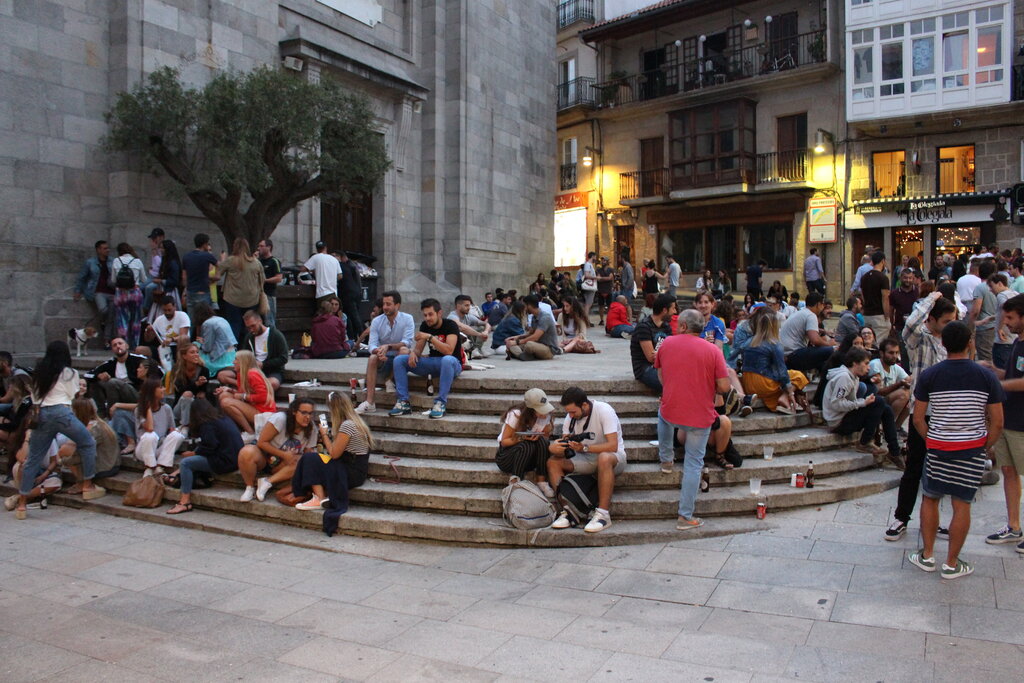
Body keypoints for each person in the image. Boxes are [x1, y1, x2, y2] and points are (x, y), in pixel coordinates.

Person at [908, 321, 1004, 579]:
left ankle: (927, 555)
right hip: (971, 449)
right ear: (970, 342)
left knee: (930, 498)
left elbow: (918, 418)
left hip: (939, 447)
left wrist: (932, 439)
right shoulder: (986, 377)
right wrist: (985, 445)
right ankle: (951, 563)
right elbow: (998, 421)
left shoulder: (930, 375)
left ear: (943, 343)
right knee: (962, 504)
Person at [884, 292, 959, 540]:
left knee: (939, 470)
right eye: (947, 321)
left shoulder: (948, 342)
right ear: (933, 319)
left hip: (945, 414)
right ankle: (901, 517)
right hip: (922, 413)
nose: (951, 325)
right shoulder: (920, 338)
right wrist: (931, 298)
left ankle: (933, 520)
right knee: (914, 467)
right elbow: (910, 325)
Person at [655, 310, 730, 529]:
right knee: (693, 464)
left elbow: (660, 375)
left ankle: (666, 460)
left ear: (685, 326)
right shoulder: (713, 351)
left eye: (679, 324)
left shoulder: (667, 343)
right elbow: (725, 386)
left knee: (663, 416)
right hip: (700, 414)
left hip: (672, 406)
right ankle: (685, 516)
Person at [14, 341, 106, 519]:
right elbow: (73, 394)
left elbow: (34, 395)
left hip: (41, 415)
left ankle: (22, 504)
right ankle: (88, 485)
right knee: (87, 443)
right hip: (61, 412)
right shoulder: (68, 372)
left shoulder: (39, 371)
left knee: (33, 458)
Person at [292, 392, 373, 535]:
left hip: (351, 471)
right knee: (315, 458)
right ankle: (317, 496)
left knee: (310, 459)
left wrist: (323, 434)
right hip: (354, 467)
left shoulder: (347, 425)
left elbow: (334, 453)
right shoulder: (354, 422)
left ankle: (319, 498)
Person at [547, 387, 627, 533]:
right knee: (552, 462)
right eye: (568, 412)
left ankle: (603, 515)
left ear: (584, 405)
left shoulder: (604, 411)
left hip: (613, 457)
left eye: (573, 412)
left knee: (604, 457)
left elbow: (613, 445)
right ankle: (568, 511)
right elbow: (566, 447)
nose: (570, 415)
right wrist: (554, 449)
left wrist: (584, 448)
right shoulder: (570, 418)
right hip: (586, 458)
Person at [982, 294, 1024, 549]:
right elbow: (1012, 375)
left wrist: (1000, 383)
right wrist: (993, 371)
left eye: (1010, 317)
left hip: (1021, 422)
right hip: (1009, 418)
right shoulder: (1018, 343)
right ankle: (1014, 525)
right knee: (1008, 471)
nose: (1006, 322)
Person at [823, 347, 904, 468]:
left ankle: (894, 451)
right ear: (855, 363)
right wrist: (862, 403)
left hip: (845, 416)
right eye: (866, 363)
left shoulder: (853, 376)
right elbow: (836, 404)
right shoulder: (844, 377)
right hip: (837, 421)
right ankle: (865, 442)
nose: (869, 367)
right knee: (879, 402)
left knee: (885, 408)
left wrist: (864, 401)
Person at [164, 398, 243, 515]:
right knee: (192, 457)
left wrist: (194, 454)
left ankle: (184, 502)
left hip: (225, 461)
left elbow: (209, 446)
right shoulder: (222, 418)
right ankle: (175, 474)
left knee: (186, 463)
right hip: (235, 458)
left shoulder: (207, 424)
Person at [390, 298, 464, 419]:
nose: (427, 318)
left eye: (430, 314)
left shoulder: (450, 325)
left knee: (447, 360)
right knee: (399, 360)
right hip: (433, 362)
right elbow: (419, 349)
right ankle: (403, 402)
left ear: (439, 313)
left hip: (452, 364)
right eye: (425, 315)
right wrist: (414, 353)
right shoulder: (425, 325)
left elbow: (448, 351)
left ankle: (440, 402)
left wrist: (430, 337)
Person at [237, 397, 319, 503]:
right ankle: (250, 487)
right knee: (246, 452)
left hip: (284, 465)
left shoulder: (311, 429)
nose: (307, 417)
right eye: (304, 413)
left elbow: (308, 453)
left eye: (310, 413)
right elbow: (261, 442)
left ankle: (267, 482)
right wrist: (283, 454)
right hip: (264, 457)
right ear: (294, 412)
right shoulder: (280, 419)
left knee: (305, 461)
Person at [355, 291, 415, 414]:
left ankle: (392, 383)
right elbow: (372, 344)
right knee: (372, 357)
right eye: (384, 304)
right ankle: (369, 402)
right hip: (384, 356)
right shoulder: (377, 321)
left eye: (389, 304)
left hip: (400, 355)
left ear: (397, 305)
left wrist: (389, 347)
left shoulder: (408, 319)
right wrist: (378, 351)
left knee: (404, 350)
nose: (385, 307)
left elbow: (407, 342)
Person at [740, 310, 810, 415]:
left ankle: (782, 400)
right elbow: (782, 370)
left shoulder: (748, 342)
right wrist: (790, 392)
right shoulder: (774, 344)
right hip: (764, 383)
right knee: (799, 376)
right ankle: (784, 397)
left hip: (748, 385)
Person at [495, 388, 555, 487]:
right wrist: (522, 438)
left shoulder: (546, 416)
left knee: (543, 441)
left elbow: (546, 438)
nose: (544, 413)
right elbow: (504, 442)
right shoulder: (516, 415)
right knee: (526, 445)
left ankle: (542, 481)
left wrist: (543, 432)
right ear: (531, 409)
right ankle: (515, 481)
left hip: (531, 459)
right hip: (508, 457)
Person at [61, 398, 121, 489]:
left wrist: (62, 461)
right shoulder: (98, 423)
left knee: (65, 451)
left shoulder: (94, 428)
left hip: (106, 467)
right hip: (111, 463)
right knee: (67, 448)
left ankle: (82, 483)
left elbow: (81, 455)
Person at [132, 377, 185, 477]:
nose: (163, 389)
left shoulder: (166, 408)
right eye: (160, 387)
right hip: (144, 450)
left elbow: (172, 430)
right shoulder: (140, 410)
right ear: (152, 391)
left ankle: (160, 465)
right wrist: (147, 408)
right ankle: (149, 466)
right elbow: (149, 428)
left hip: (160, 447)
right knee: (150, 435)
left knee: (177, 435)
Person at [214, 350, 277, 434]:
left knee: (226, 402)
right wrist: (228, 390)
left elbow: (263, 396)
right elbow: (242, 393)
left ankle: (250, 432)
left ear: (243, 362)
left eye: (236, 359)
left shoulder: (252, 374)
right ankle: (236, 429)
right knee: (224, 395)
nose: (233, 362)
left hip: (264, 412)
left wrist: (243, 396)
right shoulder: (241, 373)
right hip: (253, 406)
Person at [218, 238, 265, 342]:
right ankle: (249, 347)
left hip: (232, 299)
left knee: (234, 324)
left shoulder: (230, 260)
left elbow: (217, 274)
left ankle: (234, 350)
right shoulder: (256, 262)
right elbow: (262, 281)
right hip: (252, 299)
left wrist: (222, 260)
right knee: (250, 326)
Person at [85, 337, 149, 413]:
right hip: (116, 394)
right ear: (112, 349)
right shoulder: (111, 363)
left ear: (127, 346)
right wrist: (98, 376)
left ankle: (112, 414)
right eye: (114, 345)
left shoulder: (138, 359)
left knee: (112, 382)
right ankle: (101, 413)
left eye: (120, 343)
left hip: (136, 393)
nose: (118, 346)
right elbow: (87, 374)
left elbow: (158, 370)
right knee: (95, 382)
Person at [780, 291, 836, 374]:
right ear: (817, 304)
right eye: (822, 304)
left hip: (785, 353)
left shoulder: (801, 312)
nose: (822, 307)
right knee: (831, 350)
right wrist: (829, 344)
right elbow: (815, 340)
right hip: (793, 354)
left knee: (821, 360)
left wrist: (824, 332)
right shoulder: (811, 315)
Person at [630, 293, 676, 392]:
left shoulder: (666, 326)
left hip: (663, 365)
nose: (675, 311)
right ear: (664, 310)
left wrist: (661, 355)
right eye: (673, 308)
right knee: (673, 383)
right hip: (645, 369)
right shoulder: (644, 326)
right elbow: (650, 358)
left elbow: (672, 351)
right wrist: (665, 355)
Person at [73, 240, 116, 344]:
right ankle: (102, 322)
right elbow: (82, 277)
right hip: (98, 291)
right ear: (98, 250)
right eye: (105, 248)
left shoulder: (113, 261)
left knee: (111, 317)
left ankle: (107, 340)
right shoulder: (90, 262)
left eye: (108, 248)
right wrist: (78, 291)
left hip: (112, 291)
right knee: (103, 310)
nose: (107, 250)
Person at [868, 338, 912, 431]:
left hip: (887, 400)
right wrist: (900, 383)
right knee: (903, 395)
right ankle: (887, 427)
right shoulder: (875, 364)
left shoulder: (895, 367)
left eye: (896, 353)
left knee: (912, 395)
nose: (895, 356)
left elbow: (909, 380)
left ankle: (896, 428)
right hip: (874, 401)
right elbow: (879, 392)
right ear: (882, 353)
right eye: (891, 353)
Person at [238, 309, 288, 391]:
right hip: (253, 371)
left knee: (273, 383)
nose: (251, 330)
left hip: (273, 370)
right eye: (248, 327)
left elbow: (283, 358)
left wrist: (263, 364)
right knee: (223, 376)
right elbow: (245, 354)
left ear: (260, 321)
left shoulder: (276, 335)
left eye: (253, 326)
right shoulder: (249, 337)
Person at [110, 242, 147, 348]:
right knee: (136, 320)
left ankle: (123, 344)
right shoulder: (137, 261)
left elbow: (113, 280)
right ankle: (135, 345)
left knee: (122, 320)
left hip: (120, 293)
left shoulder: (116, 261)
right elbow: (144, 279)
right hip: (134, 292)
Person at [166, 341, 209, 429]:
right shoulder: (177, 370)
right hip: (179, 407)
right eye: (192, 352)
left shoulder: (204, 370)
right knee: (187, 394)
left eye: (197, 352)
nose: (196, 354)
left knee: (194, 396)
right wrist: (196, 384)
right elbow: (180, 390)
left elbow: (202, 392)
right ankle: (185, 426)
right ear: (184, 356)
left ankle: (187, 426)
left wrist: (201, 387)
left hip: (195, 406)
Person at [506, 295, 561, 362]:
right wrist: (516, 337)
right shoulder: (534, 317)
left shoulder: (545, 317)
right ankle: (522, 355)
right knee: (511, 345)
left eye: (525, 306)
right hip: (537, 344)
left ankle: (522, 355)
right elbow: (530, 333)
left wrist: (517, 342)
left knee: (529, 344)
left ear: (529, 306)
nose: (524, 309)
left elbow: (535, 337)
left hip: (548, 349)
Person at [192, 303, 237, 382]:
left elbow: (207, 348)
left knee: (195, 346)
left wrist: (200, 343)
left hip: (221, 358)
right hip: (232, 355)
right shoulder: (221, 319)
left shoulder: (207, 324)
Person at [145, 296, 191, 371]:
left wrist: (172, 339)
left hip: (178, 346)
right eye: (165, 310)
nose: (167, 312)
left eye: (169, 310)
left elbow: (183, 335)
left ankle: (180, 367)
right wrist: (148, 331)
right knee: (141, 350)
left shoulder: (182, 316)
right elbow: (148, 339)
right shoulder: (159, 319)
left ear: (174, 307)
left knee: (183, 339)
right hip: (164, 347)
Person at [182, 233, 220, 323]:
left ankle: (190, 336)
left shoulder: (186, 256)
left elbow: (184, 276)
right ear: (204, 244)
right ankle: (201, 337)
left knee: (190, 321)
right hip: (203, 292)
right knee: (204, 321)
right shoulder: (207, 256)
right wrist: (216, 276)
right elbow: (219, 265)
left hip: (190, 292)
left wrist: (186, 288)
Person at [968, 260, 998, 362]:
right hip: (997, 325)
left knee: (985, 359)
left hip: (985, 328)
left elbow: (976, 310)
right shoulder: (1000, 286)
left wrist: (970, 326)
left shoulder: (980, 288)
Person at [146, 238, 183, 321]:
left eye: (163, 248)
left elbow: (174, 281)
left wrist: (161, 281)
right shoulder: (165, 261)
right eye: (160, 248)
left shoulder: (172, 263)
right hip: (162, 291)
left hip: (169, 292)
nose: (161, 250)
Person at [859, 251, 891, 342]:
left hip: (867, 314)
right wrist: (887, 316)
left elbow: (863, 296)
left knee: (868, 341)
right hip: (879, 315)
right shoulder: (883, 278)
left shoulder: (864, 277)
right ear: (882, 261)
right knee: (878, 342)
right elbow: (885, 298)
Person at [448, 294, 491, 359]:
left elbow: (486, 323)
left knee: (481, 327)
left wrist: (486, 332)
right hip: (454, 345)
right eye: (466, 305)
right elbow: (462, 327)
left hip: (465, 342)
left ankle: (477, 349)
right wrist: (479, 335)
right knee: (463, 330)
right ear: (458, 306)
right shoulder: (452, 316)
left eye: (469, 305)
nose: (469, 308)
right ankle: (470, 350)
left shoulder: (468, 316)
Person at [336, 251, 364, 340]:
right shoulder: (349, 266)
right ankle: (355, 336)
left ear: (339, 257)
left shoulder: (341, 266)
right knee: (352, 315)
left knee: (353, 315)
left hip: (347, 293)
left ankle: (362, 336)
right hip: (354, 292)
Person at [990, 275, 1016, 370]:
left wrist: (1000, 328)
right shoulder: (1014, 293)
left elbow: (1005, 308)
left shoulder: (1002, 295)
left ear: (1000, 283)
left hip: (1003, 341)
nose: (990, 290)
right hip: (1013, 339)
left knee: (1001, 370)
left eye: (992, 286)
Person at [257, 239, 283, 330]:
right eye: (259, 246)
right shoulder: (258, 261)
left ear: (269, 247)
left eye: (261, 246)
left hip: (268, 294)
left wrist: (265, 280)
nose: (259, 248)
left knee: (269, 320)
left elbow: (279, 277)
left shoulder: (274, 261)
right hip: (257, 294)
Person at [889, 266, 919, 337]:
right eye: (905, 278)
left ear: (913, 278)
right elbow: (891, 311)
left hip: (915, 328)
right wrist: (891, 327)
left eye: (910, 278)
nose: (908, 280)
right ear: (900, 278)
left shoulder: (918, 292)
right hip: (900, 327)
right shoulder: (894, 293)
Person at [141, 228, 165, 313]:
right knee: (139, 287)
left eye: (156, 238)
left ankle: (145, 308)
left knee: (148, 288)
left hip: (158, 278)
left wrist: (155, 253)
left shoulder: (163, 249)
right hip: (151, 275)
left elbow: (161, 265)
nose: (154, 240)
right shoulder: (155, 249)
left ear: (161, 237)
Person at [595, 256, 614, 325]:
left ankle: (609, 318)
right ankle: (602, 320)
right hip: (601, 289)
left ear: (607, 261)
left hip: (608, 289)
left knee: (609, 305)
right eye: (602, 260)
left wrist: (602, 278)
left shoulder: (611, 269)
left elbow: (610, 278)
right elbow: (598, 279)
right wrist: (606, 278)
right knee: (601, 305)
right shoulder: (598, 270)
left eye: (604, 261)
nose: (603, 262)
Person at [580, 252, 599, 320]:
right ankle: (586, 319)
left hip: (591, 285)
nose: (596, 258)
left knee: (589, 303)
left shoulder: (589, 264)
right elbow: (587, 275)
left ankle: (586, 319)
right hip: (590, 286)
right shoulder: (588, 264)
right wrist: (596, 278)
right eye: (595, 257)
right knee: (588, 303)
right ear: (593, 256)